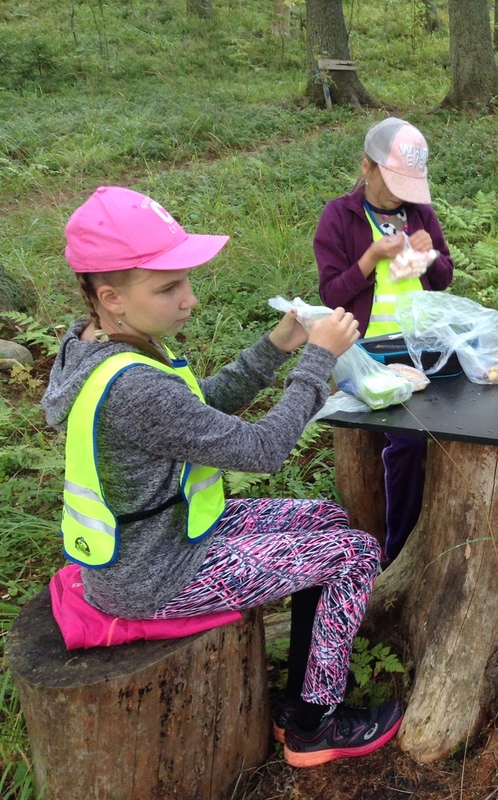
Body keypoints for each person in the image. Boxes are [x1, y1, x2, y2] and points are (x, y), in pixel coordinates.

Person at [43, 186, 403, 769]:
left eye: (185, 280)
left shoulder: (98, 342)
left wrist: (277, 345)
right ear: (111, 297)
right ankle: (314, 726)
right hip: (156, 575)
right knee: (356, 554)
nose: (188, 299)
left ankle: (300, 694)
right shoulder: (133, 384)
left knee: (326, 519)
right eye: (168, 288)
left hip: (166, 535)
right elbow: (262, 450)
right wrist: (316, 360)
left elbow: (196, 409)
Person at [315, 116, 454, 564]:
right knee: (408, 441)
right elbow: (331, 293)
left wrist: (429, 255)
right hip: (369, 351)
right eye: (393, 182)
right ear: (367, 167)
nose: (399, 195)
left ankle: (449, 533)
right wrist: (372, 256)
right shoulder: (340, 216)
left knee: (463, 421)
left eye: (407, 186)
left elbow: (444, 277)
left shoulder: (419, 213)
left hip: (423, 343)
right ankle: (399, 550)